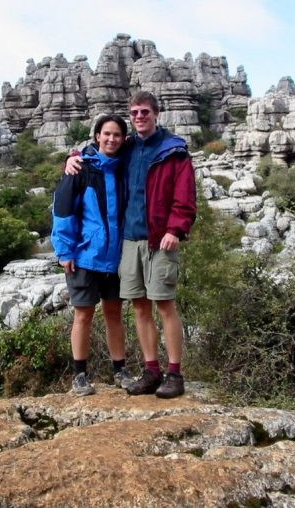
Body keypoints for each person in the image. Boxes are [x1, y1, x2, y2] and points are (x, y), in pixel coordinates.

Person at [66, 91, 196, 399]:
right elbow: (99, 150)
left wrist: (176, 229)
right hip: (129, 240)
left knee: (164, 305)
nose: (140, 117)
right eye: (135, 112)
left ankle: (174, 373)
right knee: (139, 307)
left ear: (156, 113)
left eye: (145, 112)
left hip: (160, 239)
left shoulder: (173, 151)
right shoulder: (128, 147)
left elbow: (186, 196)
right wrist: (73, 157)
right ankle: (152, 370)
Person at [51, 114, 132, 396]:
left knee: (114, 314)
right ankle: (80, 375)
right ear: (97, 136)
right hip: (85, 256)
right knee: (83, 315)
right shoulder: (80, 169)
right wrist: (64, 251)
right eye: (106, 134)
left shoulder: (125, 167)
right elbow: (62, 210)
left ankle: (120, 370)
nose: (111, 139)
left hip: (116, 257)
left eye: (117, 135)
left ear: (124, 139)